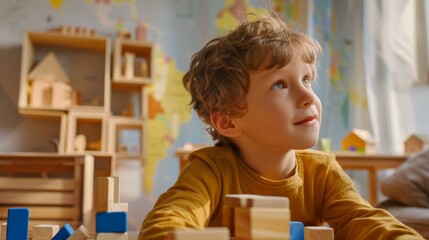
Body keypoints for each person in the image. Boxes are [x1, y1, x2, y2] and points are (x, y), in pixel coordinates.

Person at [139, 12, 424, 240]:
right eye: (280, 85)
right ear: (227, 121)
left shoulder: (322, 173)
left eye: (306, 80)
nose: (308, 97)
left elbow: (365, 221)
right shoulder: (211, 171)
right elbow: (166, 224)